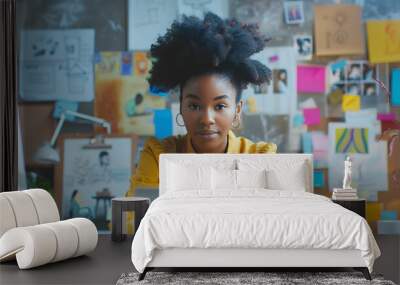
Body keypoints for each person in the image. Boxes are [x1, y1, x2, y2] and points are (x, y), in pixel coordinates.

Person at [126, 13, 277, 197]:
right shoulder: (159, 157)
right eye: (194, 106)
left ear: (237, 111)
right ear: (181, 107)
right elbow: (135, 220)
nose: (207, 120)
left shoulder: (260, 158)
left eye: (220, 106)